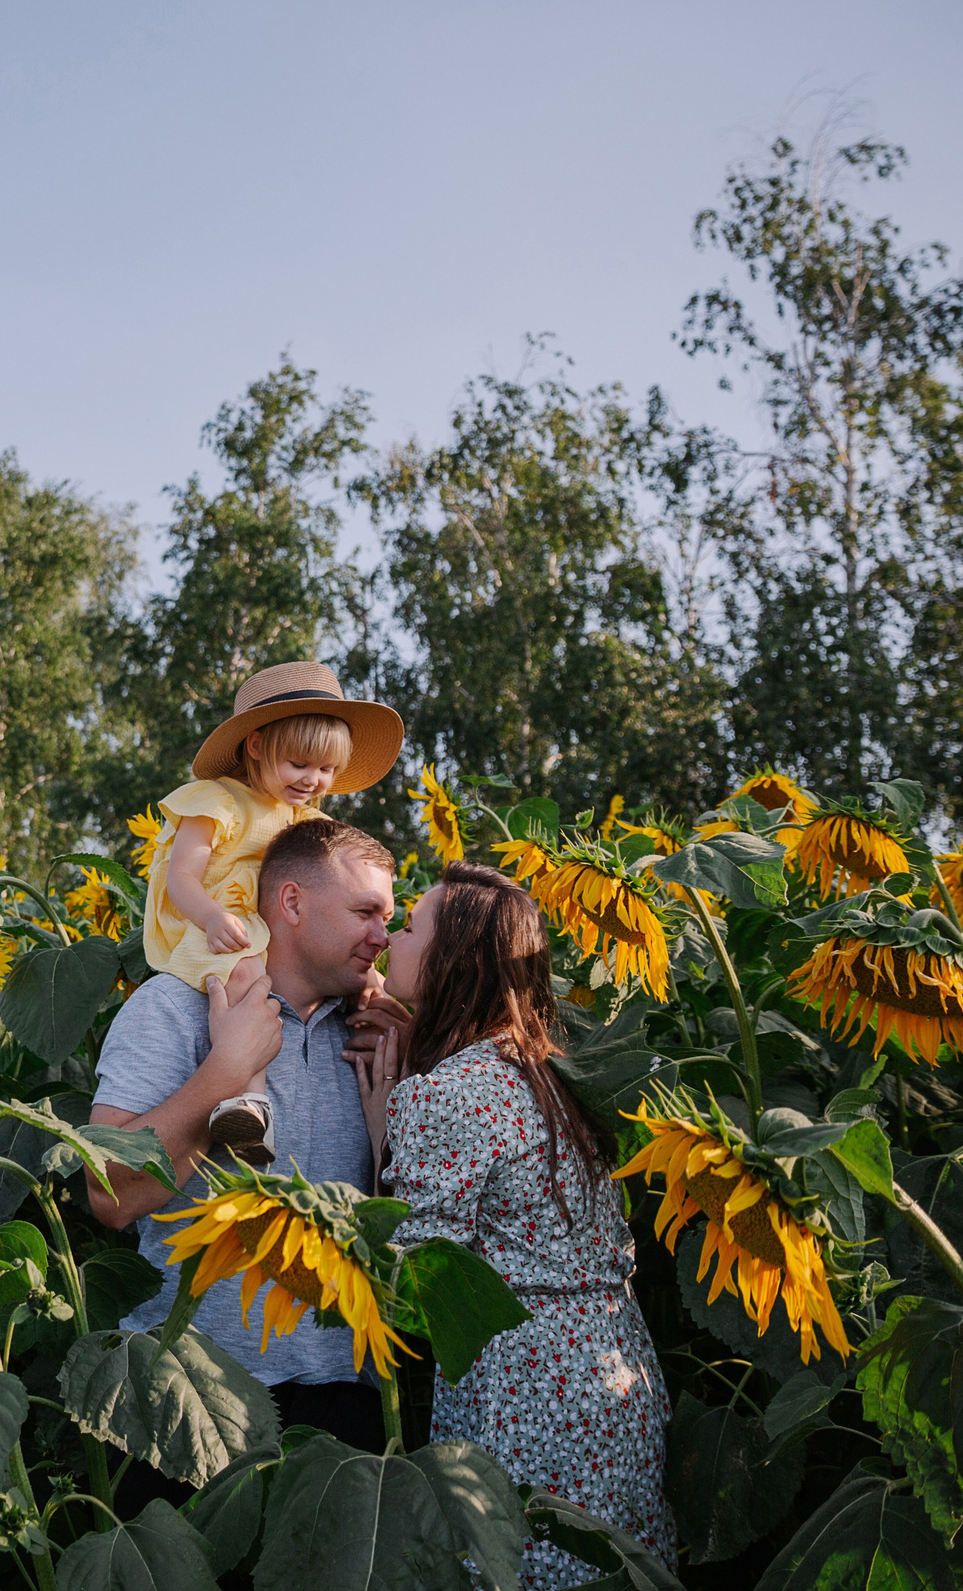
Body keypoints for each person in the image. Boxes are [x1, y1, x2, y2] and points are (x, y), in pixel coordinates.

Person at [351, 861, 677, 1588]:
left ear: (451, 960)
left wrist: (384, 1136)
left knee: (521, 1564)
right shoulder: (545, 1067)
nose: (388, 942)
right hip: (612, 1365)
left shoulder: (447, 1092)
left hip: (529, 1386)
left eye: (407, 927)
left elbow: (417, 1278)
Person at [88, 816, 405, 1482]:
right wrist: (224, 1073)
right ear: (290, 902)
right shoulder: (173, 1007)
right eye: (365, 911)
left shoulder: (374, 1031)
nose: (382, 935)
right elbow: (110, 1196)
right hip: (192, 1387)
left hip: (341, 1388)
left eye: (390, 917)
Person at [139, 662, 403, 1165]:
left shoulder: (310, 819)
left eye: (326, 770)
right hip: (211, 922)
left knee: (369, 984)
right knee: (248, 978)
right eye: (300, 764)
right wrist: (214, 918)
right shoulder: (216, 802)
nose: (313, 780)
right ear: (257, 747)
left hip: (265, 928)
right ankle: (249, 1100)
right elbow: (181, 879)